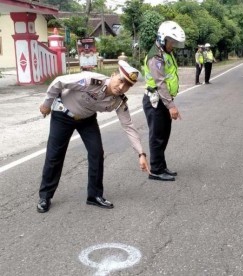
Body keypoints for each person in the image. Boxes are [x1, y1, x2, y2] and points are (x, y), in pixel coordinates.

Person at [37, 60, 150, 213]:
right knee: (55, 155)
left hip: (87, 120)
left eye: (128, 85)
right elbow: (58, 82)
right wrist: (46, 104)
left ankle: (95, 195)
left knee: (97, 153)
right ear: (114, 75)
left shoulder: (118, 101)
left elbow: (128, 126)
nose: (122, 87)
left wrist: (141, 153)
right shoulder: (91, 81)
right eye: (121, 81)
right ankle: (45, 196)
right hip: (63, 114)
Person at [142, 21, 185, 181]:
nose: (173, 45)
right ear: (162, 39)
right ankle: (156, 170)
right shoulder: (155, 57)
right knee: (157, 136)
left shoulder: (165, 52)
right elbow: (160, 83)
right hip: (156, 101)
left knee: (164, 135)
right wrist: (171, 106)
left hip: (163, 101)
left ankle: (161, 165)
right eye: (171, 41)